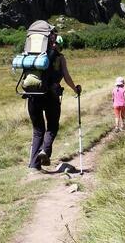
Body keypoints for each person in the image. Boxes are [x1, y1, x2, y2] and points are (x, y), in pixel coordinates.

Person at [27, 25, 81, 172]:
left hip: (32, 95)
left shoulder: (33, 56)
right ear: (59, 46)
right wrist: (75, 89)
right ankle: (45, 150)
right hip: (51, 96)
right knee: (52, 126)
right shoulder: (60, 58)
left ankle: (34, 166)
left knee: (38, 130)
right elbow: (67, 77)